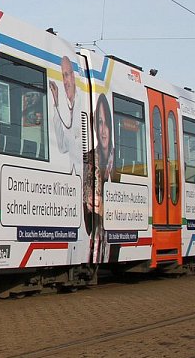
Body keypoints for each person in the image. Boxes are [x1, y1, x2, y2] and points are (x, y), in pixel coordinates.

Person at [85, 94, 113, 265]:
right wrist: (87, 203)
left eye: (106, 124)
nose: (103, 130)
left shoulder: (121, 160)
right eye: (99, 124)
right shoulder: (89, 159)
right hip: (95, 233)